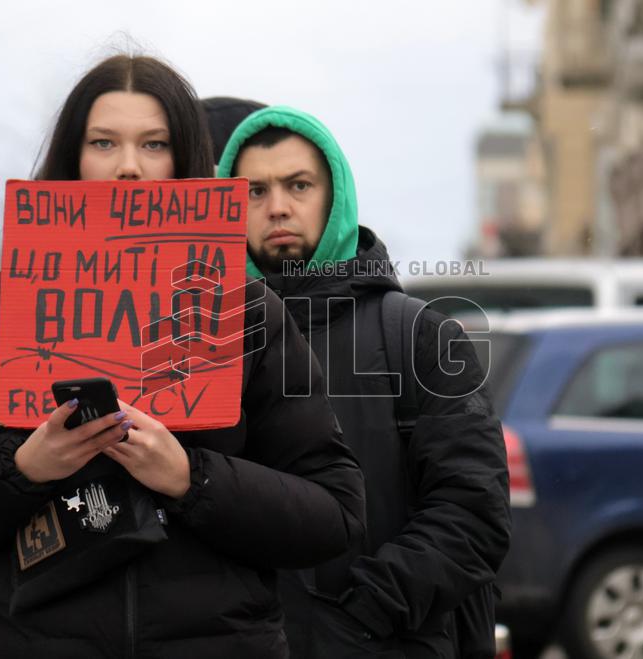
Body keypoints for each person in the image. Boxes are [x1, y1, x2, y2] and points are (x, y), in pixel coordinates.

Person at [0, 57, 365, 659]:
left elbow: (333, 517)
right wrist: (25, 465)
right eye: (103, 142)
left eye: (153, 144)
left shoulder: (247, 312)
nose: (128, 166)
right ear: (73, 157)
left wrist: (190, 478)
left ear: (184, 159)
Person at [216, 106, 511, 658]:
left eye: (298, 185)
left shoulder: (419, 335)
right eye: (254, 191)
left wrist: (365, 613)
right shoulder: (202, 342)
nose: (277, 207)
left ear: (335, 197)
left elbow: (474, 510)